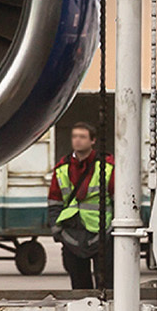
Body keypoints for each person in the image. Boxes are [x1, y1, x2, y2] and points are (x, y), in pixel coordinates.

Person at [47, 122, 113, 290]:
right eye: (75, 136)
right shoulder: (62, 168)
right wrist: (57, 230)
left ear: (93, 141)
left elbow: (119, 200)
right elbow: (54, 201)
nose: (77, 140)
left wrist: (112, 230)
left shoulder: (107, 167)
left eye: (82, 137)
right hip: (72, 235)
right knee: (79, 287)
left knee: (106, 286)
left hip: (101, 234)